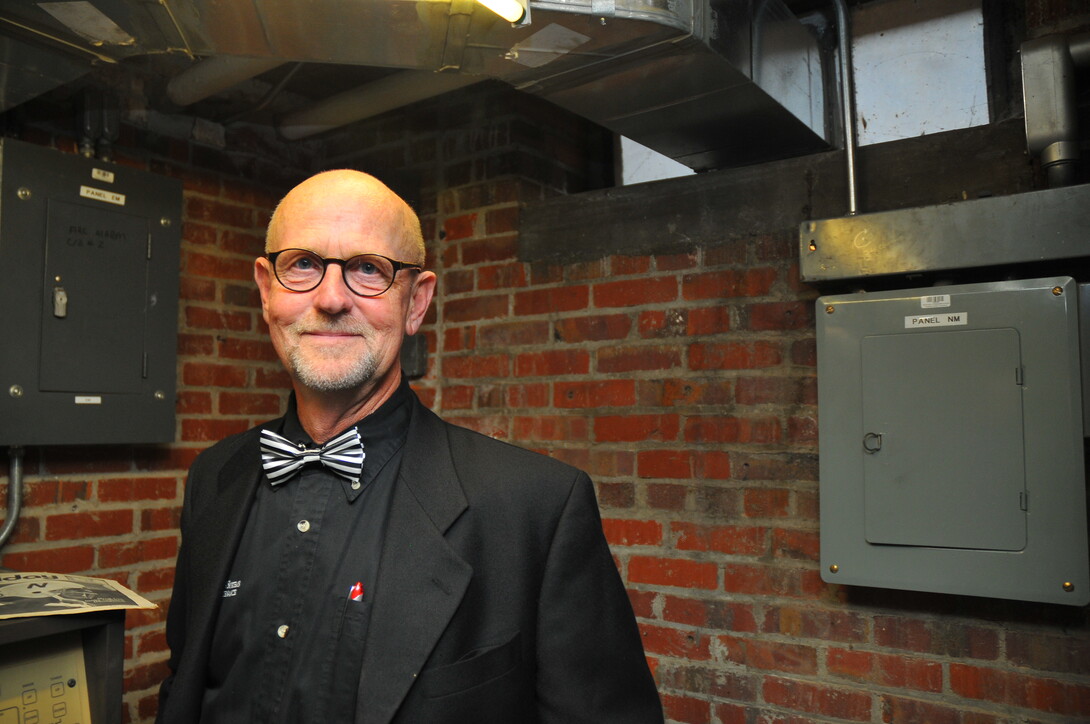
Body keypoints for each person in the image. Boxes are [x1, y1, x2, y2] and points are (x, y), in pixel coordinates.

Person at [156, 170, 664, 723]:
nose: (330, 298)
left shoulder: (535, 509)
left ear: (416, 303)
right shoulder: (214, 477)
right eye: (303, 264)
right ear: (266, 289)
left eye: (367, 270)